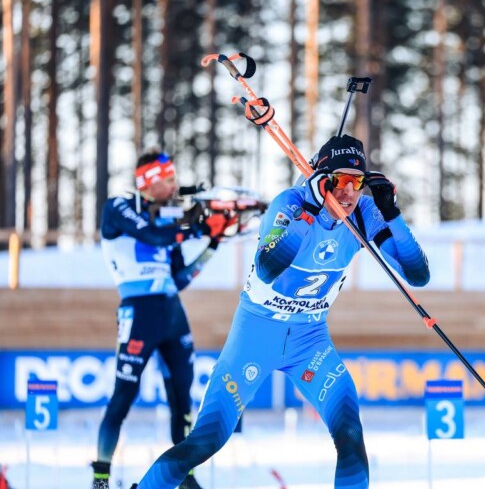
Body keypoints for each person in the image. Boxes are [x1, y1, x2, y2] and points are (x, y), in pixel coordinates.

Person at [129, 134, 430, 489]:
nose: (349, 192)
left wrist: (391, 213)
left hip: (310, 340)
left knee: (349, 432)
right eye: (340, 180)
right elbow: (269, 267)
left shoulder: (363, 213)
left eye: (358, 181)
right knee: (205, 442)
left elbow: (417, 275)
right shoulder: (291, 202)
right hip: (256, 335)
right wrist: (311, 212)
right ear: (322, 179)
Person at [93, 150, 234, 489]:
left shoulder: (171, 223)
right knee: (123, 396)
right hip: (139, 313)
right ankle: (100, 479)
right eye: (168, 179)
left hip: (172, 313)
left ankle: (185, 476)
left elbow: (180, 278)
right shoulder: (119, 205)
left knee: (182, 400)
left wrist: (213, 241)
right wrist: (197, 228)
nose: (174, 185)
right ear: (149, 181)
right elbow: (152, 236)